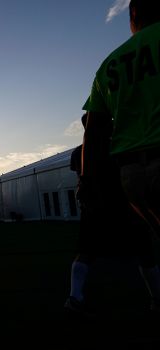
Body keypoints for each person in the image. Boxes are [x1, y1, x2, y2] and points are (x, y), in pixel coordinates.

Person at [81, 0, 160, 314]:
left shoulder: (109, 65)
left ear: (133, 17)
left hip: (131, 176)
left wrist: (87, 182)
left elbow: (94, 132)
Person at [65, 113, 160, 315]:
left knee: (86, 252)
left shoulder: (79, 153)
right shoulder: (122, 147)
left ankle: (75, 297)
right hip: (123, 207)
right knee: (145, 253)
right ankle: (156, 298)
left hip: (96, 208)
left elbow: (80, 180)